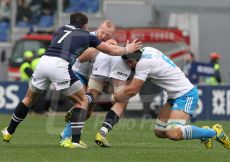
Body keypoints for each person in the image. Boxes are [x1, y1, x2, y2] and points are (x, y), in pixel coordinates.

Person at [1, 12, 142, 149]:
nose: (104, 36)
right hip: (62, 67)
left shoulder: (61, 29)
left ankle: (9, 131)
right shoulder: (88, 36)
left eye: (108, 34)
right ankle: (73, 141)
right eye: (103, 32)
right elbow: (108, 52)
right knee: (82, 101)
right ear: (87, 26)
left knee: (28, 99)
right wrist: (127, 49)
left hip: (44, 62)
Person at [109, 47, 230, 149]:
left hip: (186, 94)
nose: (129, 65)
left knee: (173, 133)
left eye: (130, 62)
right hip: (174, 96)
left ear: (136, 57)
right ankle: (203, 133)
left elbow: (132, 90)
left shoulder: (143, 64)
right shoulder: (147, 50)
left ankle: (215, 132)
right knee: (160, 132)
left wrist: (115, 97)